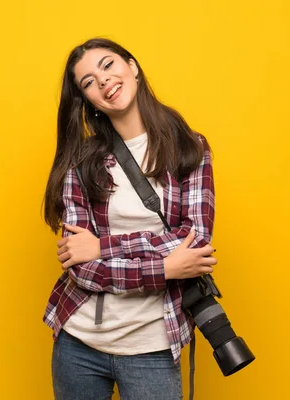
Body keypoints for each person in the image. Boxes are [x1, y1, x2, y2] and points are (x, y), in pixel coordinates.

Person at [43, 38, 217, 400]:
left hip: (151, 346)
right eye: (88, 82)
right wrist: (166, 267)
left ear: (132, 66)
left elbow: (195, 242)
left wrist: (102, 247)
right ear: (87, 100)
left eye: (108, 65)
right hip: (78, 344)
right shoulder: (82, 160)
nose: (103, 81)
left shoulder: (189, 147)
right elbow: (81, 267)